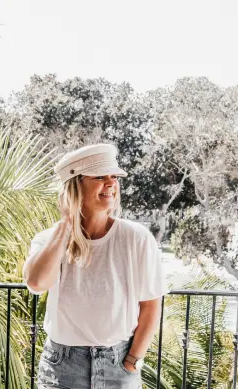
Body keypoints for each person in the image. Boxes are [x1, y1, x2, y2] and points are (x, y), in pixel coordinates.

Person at [23, 143, 169, 389]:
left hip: (119, 364)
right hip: (62, 367)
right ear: (75, 186)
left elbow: (151, 304)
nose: (110, 183)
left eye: (114, 176)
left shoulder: (136, 237)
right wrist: (67, 223)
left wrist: (132, 360)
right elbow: (36, 283)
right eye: (100, 176)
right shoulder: (49, 240)